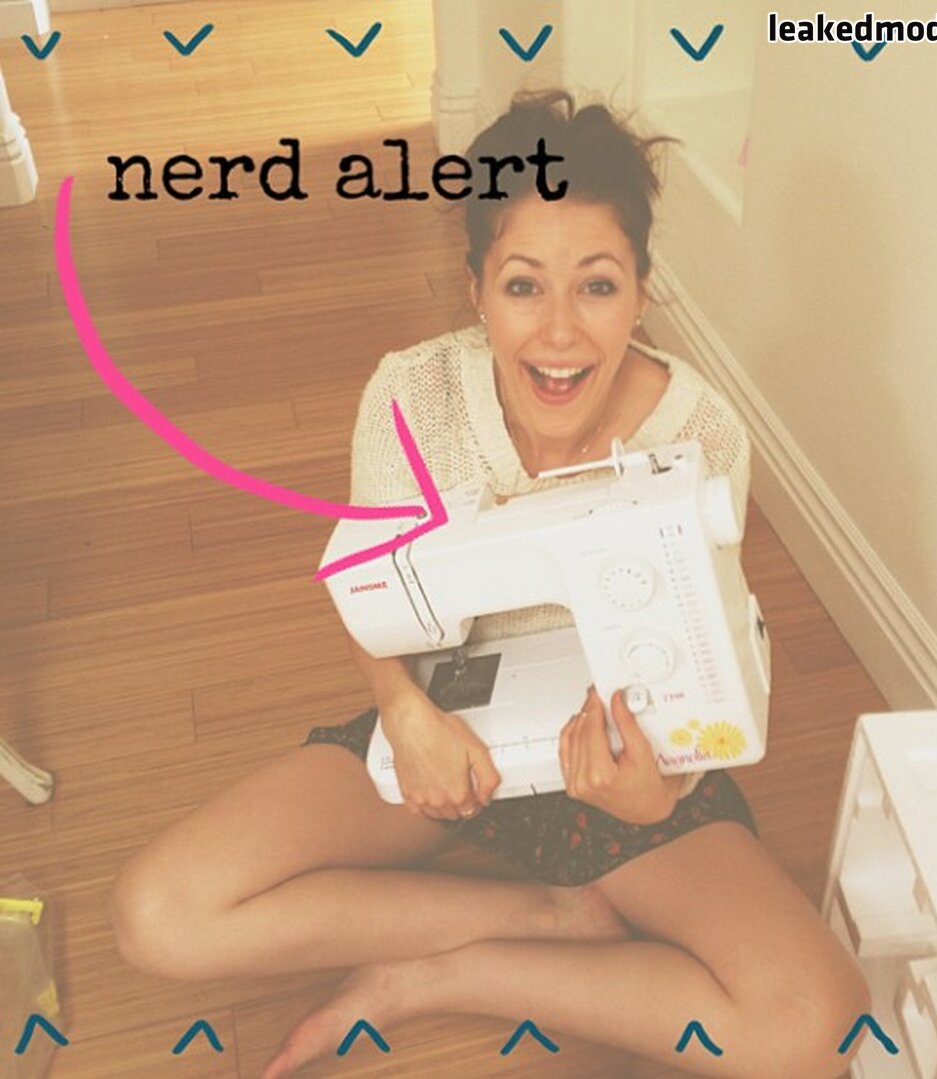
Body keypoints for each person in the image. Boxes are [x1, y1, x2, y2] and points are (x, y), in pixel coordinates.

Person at [111, 90, 869, 1077]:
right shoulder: (414, 397)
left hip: (626, 748)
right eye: (523, 286)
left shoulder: (700, 436)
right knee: (160, 912)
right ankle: (553, 914)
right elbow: (370, 589)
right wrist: (404, 712)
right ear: (476, 289)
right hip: (451, 725)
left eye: (597, 286)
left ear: (641, 292)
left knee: (817, 1023)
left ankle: (437, 976)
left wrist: (658, 795)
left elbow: (699, 658)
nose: (560, 332)